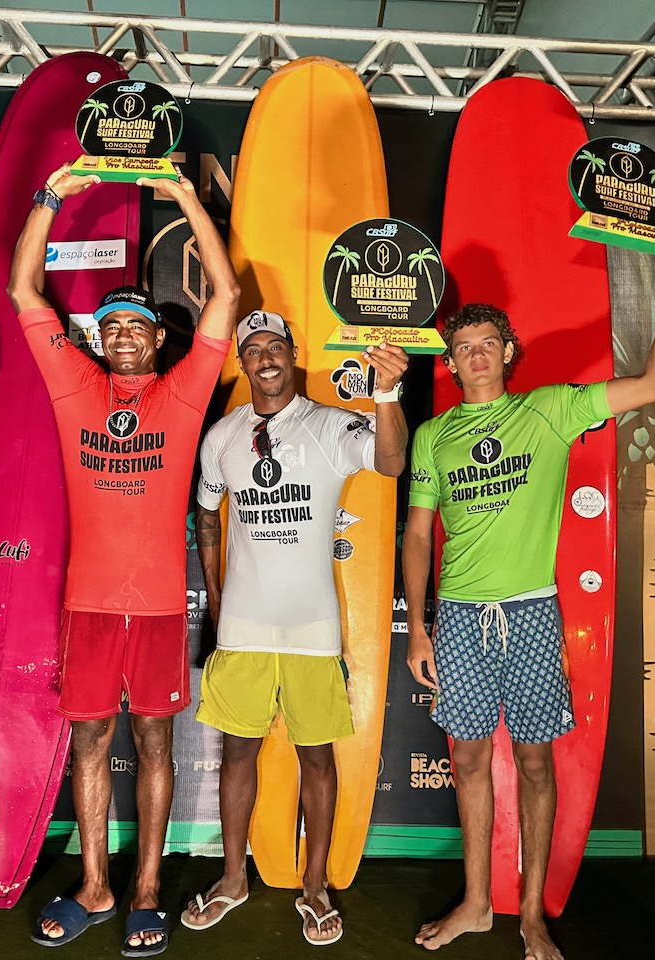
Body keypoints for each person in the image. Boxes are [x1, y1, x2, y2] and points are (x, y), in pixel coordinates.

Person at [403, 227, 655, 960]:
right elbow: (417, 535)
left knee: (535, 764)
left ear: (508, 352)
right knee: (469, 762)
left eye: (487, 343)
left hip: (532, 612)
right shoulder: (433, 435)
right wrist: (419, 628)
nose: (476, 354)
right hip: (460, 619)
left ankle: (531, 913)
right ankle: (477, 903)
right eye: (463, 346)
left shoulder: (551, 410)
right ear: (450, 361)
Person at [7, 166, 240, 954]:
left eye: (137, 325)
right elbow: (23, 291)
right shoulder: (76, 385)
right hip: (91, 603)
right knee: (90, 743)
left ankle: (144, 890)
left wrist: (186, 199)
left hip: (161, 604)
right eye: (111, 327)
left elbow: (227, 296)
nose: (124, 336)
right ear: (99, 339)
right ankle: (95, 886)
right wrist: (51, 196)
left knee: (155, 744)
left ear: (158, 338)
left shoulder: (182, 392)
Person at [182, 312, 409, 945]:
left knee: (317, 758)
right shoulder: (223, 436)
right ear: (242, 362)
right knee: (237, 754)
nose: (265, 358)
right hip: (243, 628)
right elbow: (206, 514)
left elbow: (392, 461)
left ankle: (314, 886)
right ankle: (233, 878)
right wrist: (217, 597)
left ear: (293, 354)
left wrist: (387, 392)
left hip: (313, 627)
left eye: (275, 346)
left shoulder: (332, 425)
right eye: (253, 349)